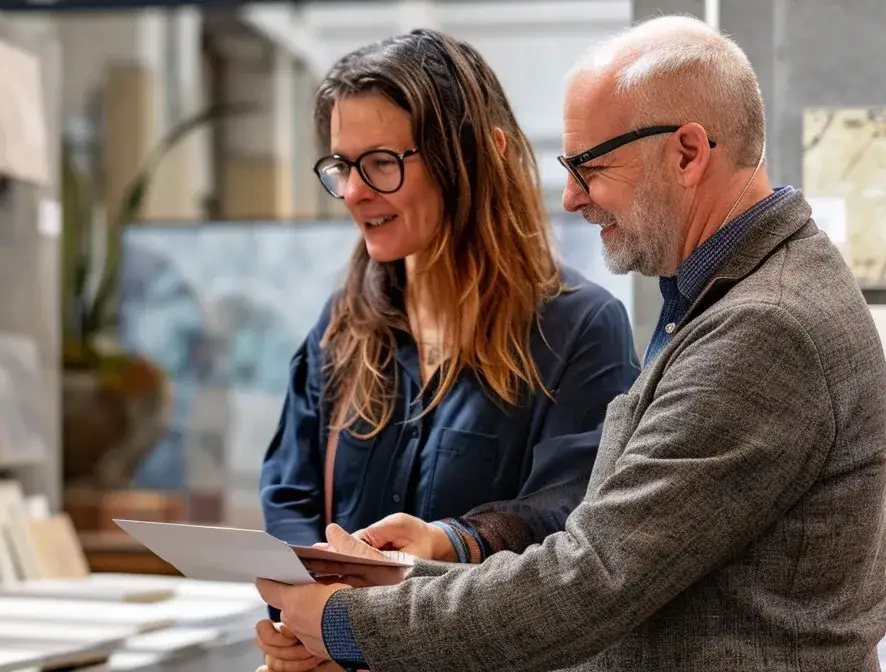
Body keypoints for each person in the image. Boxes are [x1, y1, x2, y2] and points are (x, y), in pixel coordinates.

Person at [256, 15, 886, 672]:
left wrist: (344, 619)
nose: (574, 198)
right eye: (342, 167)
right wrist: (342, 605)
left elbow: (590, 577)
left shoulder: (763, 327)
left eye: (591, 166)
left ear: (688, 152)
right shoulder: (725, 302)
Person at [258, 29, 638, 585]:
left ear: (479, 156)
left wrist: (451, 542)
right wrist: (302, 617)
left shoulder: (577, 328)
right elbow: (290, 499)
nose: (357, 192)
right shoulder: (343, 326)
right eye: (343, 165)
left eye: (382, 162)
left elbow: (574, 518)